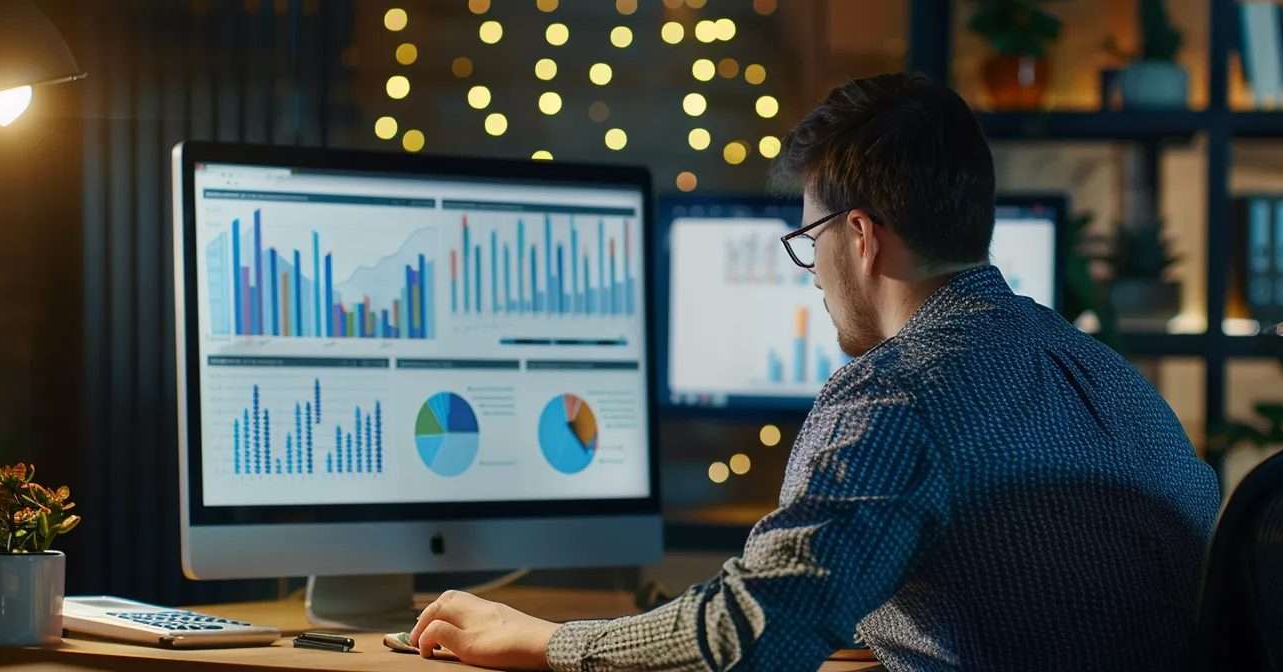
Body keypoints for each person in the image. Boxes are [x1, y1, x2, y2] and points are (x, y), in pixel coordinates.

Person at [406, 72, 1221, 672]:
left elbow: (753, 637)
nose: (813, 270)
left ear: (860, 237)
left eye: (809, 243)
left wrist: (541, 640)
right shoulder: (1108, 376)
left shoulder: (899, 391)